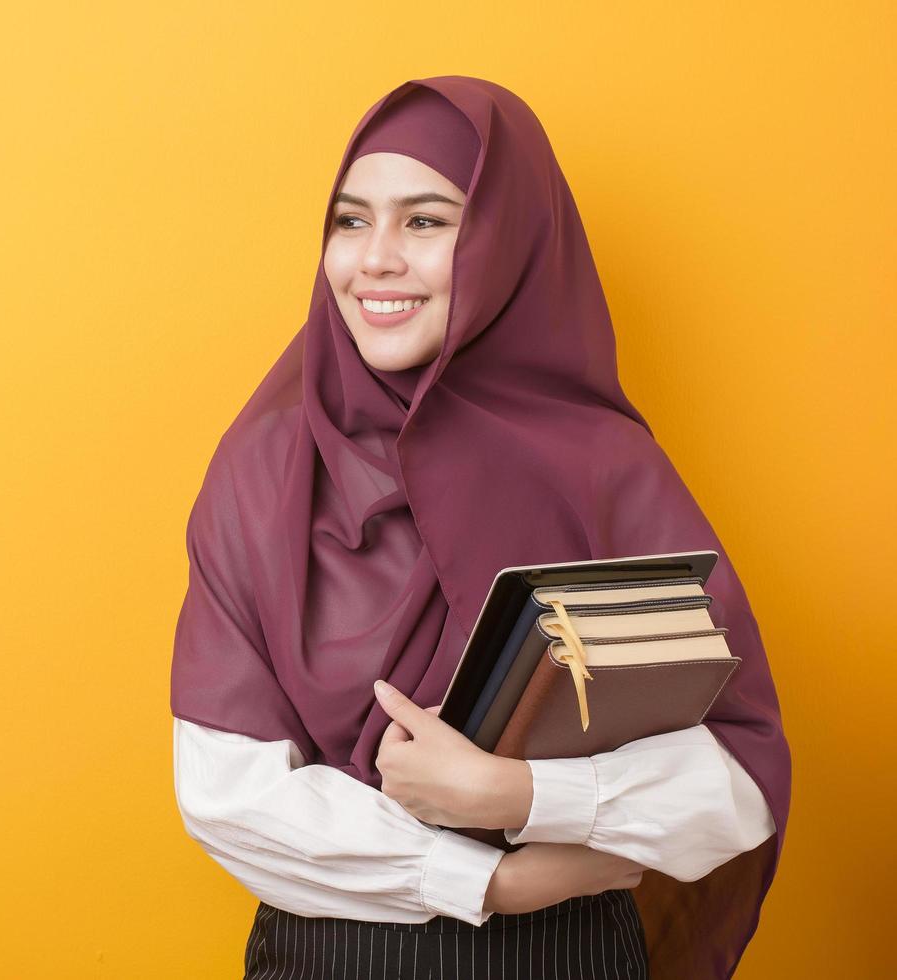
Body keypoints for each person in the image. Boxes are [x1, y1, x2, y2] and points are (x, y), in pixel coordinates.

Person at [169, 76, 790, 980]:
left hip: (567, 959)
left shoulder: (605, 472)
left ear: (507, 243)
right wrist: (487, 882)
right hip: (332, 959)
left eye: (426, 221)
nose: (375, 258)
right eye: (350, 220)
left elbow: (733, 775)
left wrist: (520, 793)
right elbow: (227, 796)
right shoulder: (266, 474)